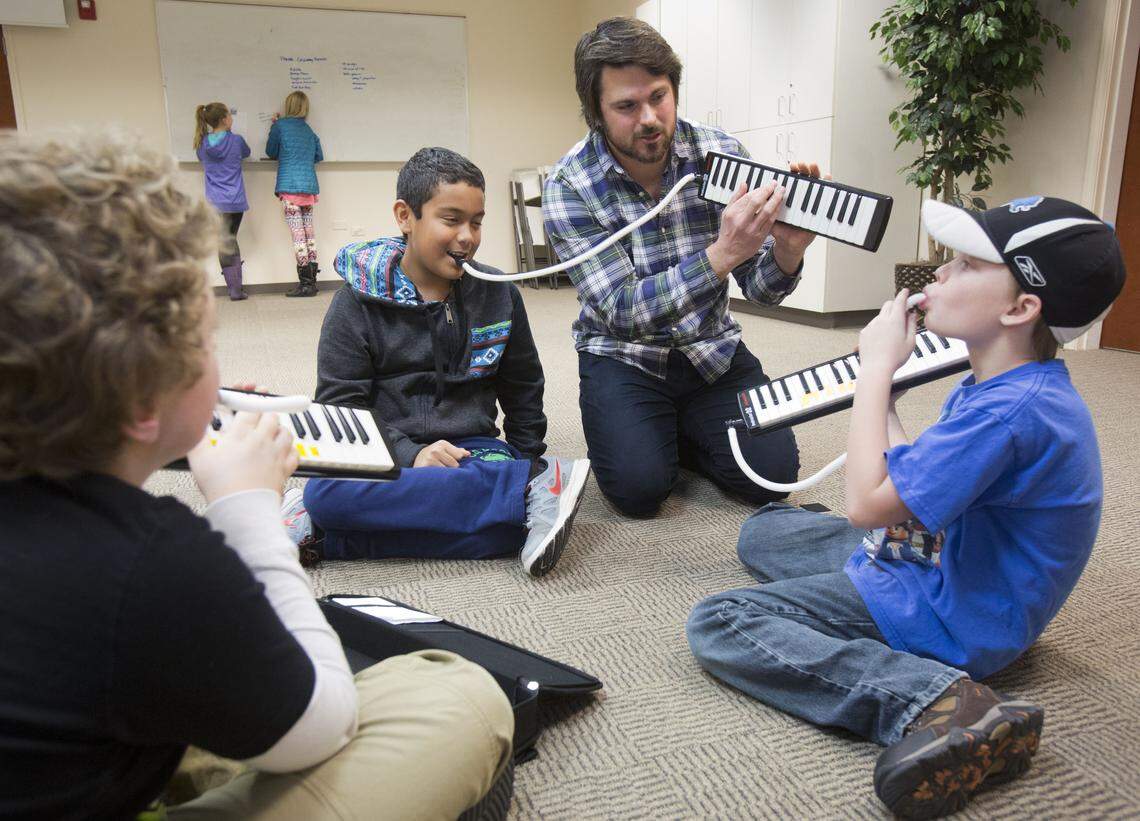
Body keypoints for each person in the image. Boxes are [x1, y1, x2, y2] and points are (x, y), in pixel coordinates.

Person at [0, 131, 514, 820]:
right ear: (144, 392)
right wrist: (249, 512)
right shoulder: (159, 562)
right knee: (462, 697)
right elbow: (320, 720)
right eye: (204, 340)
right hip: (278, 680)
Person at [687, 196, 1127, 818]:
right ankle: (858, 598)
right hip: (935, 560)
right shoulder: (1002, 385)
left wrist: (872, 373)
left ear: (1021, 307)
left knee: (721, 623)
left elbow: (868, 504)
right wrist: (888, 393)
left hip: (955, 614)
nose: (938, 274)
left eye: (967, 265)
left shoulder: (1007, 413)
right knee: (763, 531)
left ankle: (940, 701)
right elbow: (910, 482)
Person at [543, 17, 820, 518]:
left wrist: (788, 250)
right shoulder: (570, 186)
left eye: (659, 96)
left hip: (712, 351)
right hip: (624, 356)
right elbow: (624, 312)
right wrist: (721, 255)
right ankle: (661, 431)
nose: (649, 118)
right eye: (626, 107)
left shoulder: (722, 155)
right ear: (596, 113)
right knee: (639, 493)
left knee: (773, 479)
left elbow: (761, 289)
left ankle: (680, 428)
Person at [285, 147, 590, 577]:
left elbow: (523, 387)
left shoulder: (500, 295)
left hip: (473, 452)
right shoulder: (353, 304)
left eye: (477, 221)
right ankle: (522, 493)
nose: (468, 236)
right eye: (451, 220)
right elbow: (340, 409)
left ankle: (326, 537)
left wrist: (528, 457)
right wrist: (412, 455)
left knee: (504, 531)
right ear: (405, 216)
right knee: (324, 492)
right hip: (384, 456)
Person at [266, 90, 323, 297]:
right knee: (309, 235)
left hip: (289, 187)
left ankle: (305, 284)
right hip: (308, 187)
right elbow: (319, 155)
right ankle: (312, 282)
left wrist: (274, 125)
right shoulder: (309, 130)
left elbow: (270, 151)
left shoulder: (280, 127)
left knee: (298, 237)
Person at [194, 101, 251, 301]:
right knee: (230, 239)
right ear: (225, 119)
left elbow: (202, 158)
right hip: (235, 201)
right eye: (230, 115)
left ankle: (234, 289)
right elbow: (247, 152)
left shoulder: (202, 144)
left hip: (215, 203)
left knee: (224, 241)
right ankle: (236, 290)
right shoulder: (237, 141)